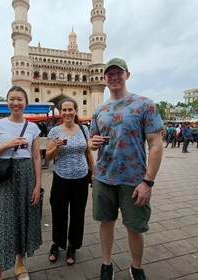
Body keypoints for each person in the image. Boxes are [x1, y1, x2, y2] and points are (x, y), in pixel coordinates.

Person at [89, 58, 164, 280]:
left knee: (135, 227)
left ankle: (136, 267)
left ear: (127, 75)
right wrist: (91, 143)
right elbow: (92, 139)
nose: (113, 77)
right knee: (106, 222)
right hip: (103, 177)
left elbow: (156, 144)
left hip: (134, 180)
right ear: (104, 79)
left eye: (118, 73)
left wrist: (148, 182)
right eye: (109, 74)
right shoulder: (99, 110)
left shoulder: (144, 105)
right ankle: (106, 264)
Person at [0, 86, 42, 280]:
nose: (16, 103)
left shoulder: (33, 128)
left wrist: (37, 185)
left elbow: (35, 157)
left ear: (26, 103)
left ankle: (20, 265)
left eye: (20, 99)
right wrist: (7, 145)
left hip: (26, 177)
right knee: (2, 224)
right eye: (12, 99)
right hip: (5, 179)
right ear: (7, 101)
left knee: (23, 221)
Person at [46, 98, 94, 265]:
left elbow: (88, 153)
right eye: (64, 110)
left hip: (80, 178)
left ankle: (73, 245)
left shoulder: (83, 130)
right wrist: (56, 147)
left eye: (70, 109)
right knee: (58, 213)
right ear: (61, 113)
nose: (67, 113)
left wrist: (92, 172)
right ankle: (57, 244)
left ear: (75, 111)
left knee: (77, 214)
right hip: (61, 178)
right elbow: (48, 156)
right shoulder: (54, 131)